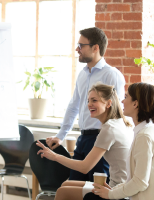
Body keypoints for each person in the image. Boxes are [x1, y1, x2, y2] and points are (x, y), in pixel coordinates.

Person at [46, 27, 125, 182]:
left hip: (101, 140)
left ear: (95, 48)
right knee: (73, 187)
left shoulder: (112, 75)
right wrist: (61, 136)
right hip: (82, 139)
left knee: (95, 191)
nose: (77, 49)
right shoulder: (82, 74)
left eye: (81, 45)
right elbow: (74, 105)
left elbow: (118, 113)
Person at [36, 83, 133, 200]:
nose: (89, 104)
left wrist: (55, 156)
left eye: (94, 100)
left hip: (117, 192)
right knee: (65, 185)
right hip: (119, 187)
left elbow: (84, 167)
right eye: (88, 101)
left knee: (62, 192)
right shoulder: (120, 122)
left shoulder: (109, 128)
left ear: (108, 103)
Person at [92, 82, 154, 200]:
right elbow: (134, 179)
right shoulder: (150, 130)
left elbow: (140, 182)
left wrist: (110, 194)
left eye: (126, 97)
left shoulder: (144, 136)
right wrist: (113, 190)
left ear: (135, 104)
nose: (122, 101)